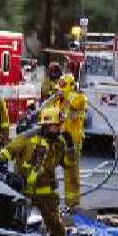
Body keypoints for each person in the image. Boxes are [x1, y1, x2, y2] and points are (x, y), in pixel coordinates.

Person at [0, 107, 77, 236]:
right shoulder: (27, 137)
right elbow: (8, 150)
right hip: (23, 189)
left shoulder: (59, 142)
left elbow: (68, 164)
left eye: (59, 126)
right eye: (55, 126)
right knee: (15, 222)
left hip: (46, 191)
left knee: (54, 223)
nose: (58, 129)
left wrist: (71, 148)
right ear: (45, 125)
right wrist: (1, 161)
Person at [43, 73, 87, 209]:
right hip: (57, 139)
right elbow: (46, 110)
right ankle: (47, 201)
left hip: (72, 141)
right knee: (47, 169)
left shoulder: (78, 97)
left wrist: (66, 95)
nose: (59, 91)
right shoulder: (57, 99)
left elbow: (76, 103)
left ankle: (72, 205)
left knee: (71, 174)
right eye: (58, 88)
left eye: (62, 87)